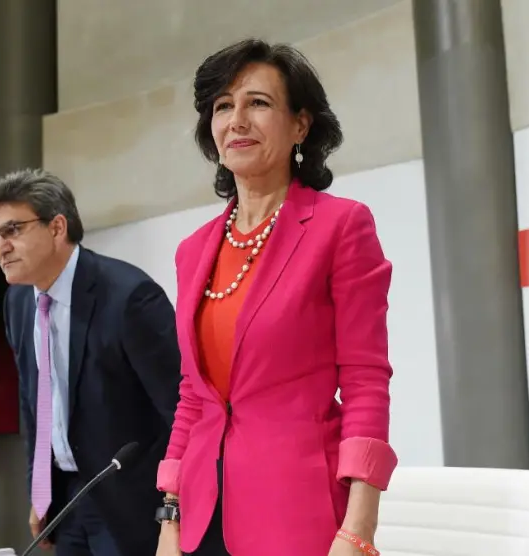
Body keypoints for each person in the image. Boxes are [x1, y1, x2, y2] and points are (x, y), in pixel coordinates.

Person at [153, 39, 399, 556]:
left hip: (297, 511)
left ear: (301, 125)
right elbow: (193, 397)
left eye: (258, 103)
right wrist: (169, 517)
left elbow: (365, 381)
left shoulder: (341, 227)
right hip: (201, 518)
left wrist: (359, 527)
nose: (237, 120)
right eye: (223, 106)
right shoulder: (192, 251)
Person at [0, 169, 182, 556]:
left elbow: (178, 408)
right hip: (68, 500)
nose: (1, 248)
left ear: (57, 227)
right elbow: (34, 403)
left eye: (13, 230)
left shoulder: (129, 296)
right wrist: (39, 490)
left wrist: (173, 508)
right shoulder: (18, 302)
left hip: (134, 504)